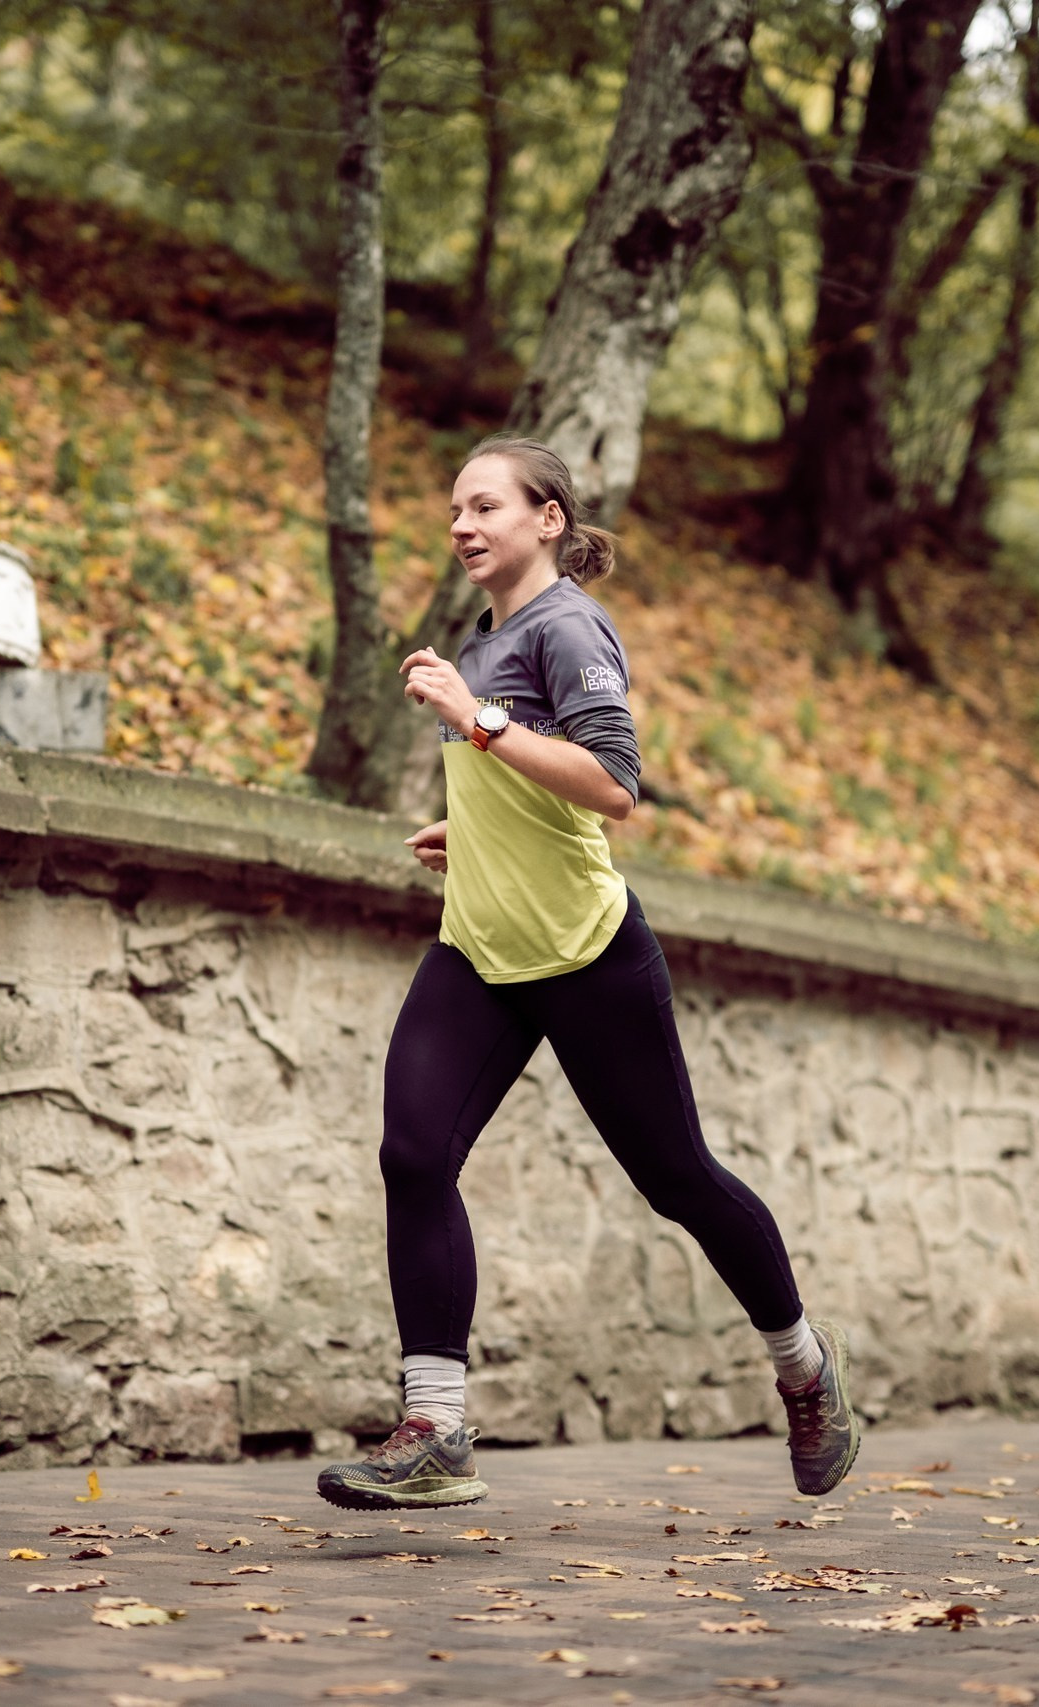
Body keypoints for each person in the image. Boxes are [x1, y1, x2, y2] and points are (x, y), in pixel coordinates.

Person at [315, 435, 858, 1512]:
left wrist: (474, 722)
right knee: (413, 1154)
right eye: (454, 512)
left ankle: (804, 1370)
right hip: (479, 944)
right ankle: (436, 1431)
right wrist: (473, 829)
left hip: (584, 952)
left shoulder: (567, 626)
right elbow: (529, 778)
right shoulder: (488, 636)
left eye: (485, 507)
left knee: (677, 1180)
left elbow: (613, 785)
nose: (462, 526)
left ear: (548, 518)